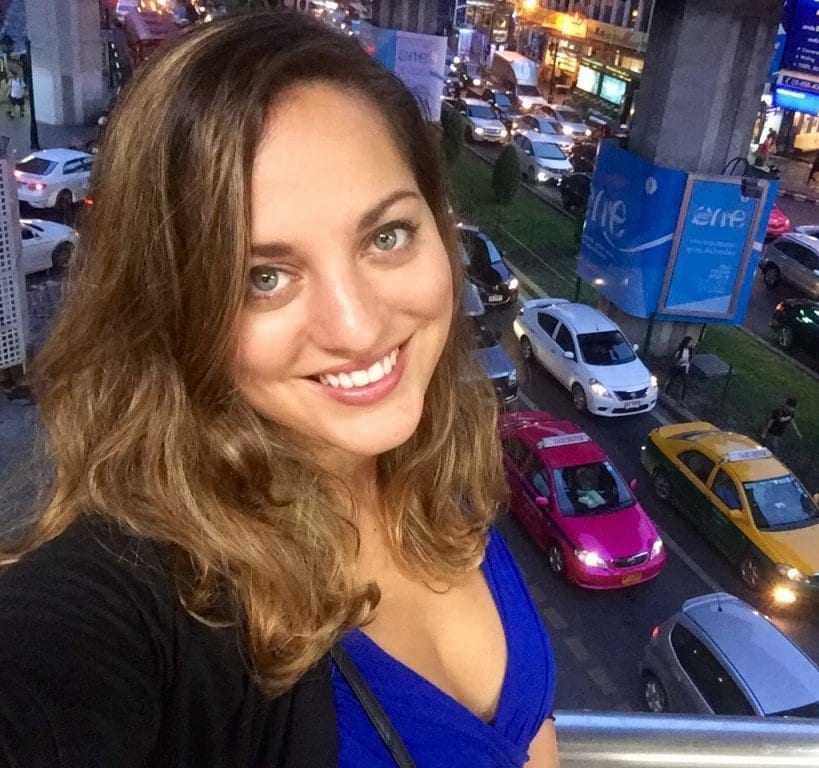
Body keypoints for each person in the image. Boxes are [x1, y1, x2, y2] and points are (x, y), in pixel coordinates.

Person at [0, 13, 558, 768]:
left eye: (386, 236)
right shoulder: (152, 590)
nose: (357, 327)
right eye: (264, 277)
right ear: (171, 310)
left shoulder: (441, 483)